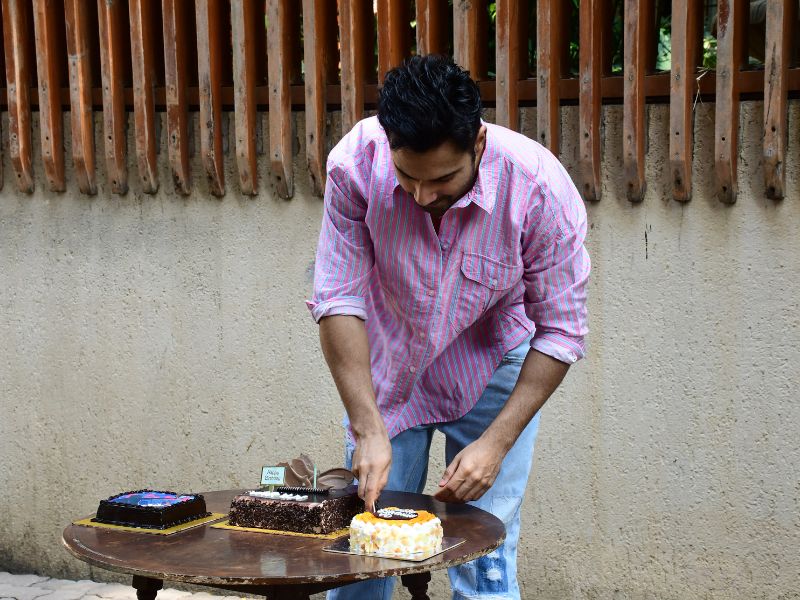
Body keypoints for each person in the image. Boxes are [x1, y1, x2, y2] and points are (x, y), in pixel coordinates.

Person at [307, 54, 590, 600]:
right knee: (365, 542)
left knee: (485, 552)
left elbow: (561, 331)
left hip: (495, 360)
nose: (422, 196)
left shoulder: (540, 190)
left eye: (442, 179)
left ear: (478, 143)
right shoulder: (355, 165)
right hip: (390, 363)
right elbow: (338, 298)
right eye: (407, 177)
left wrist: (497, 443)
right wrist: (367, 429)